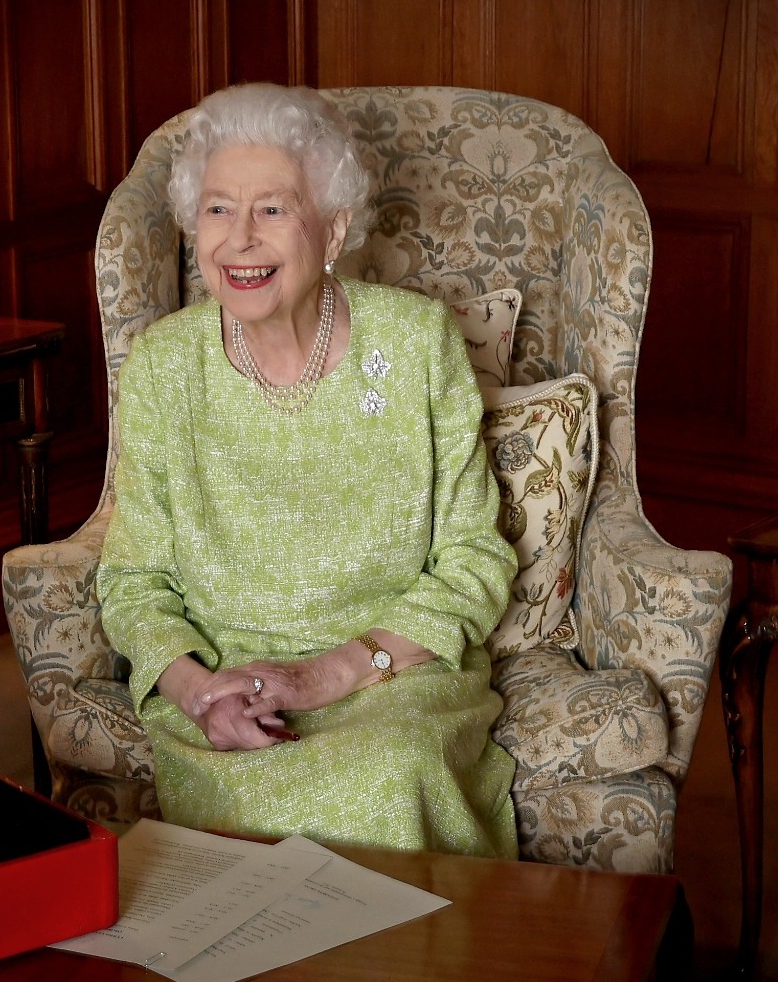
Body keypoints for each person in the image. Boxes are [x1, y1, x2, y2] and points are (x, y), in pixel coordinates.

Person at [96, 83, 519, 859]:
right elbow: (133, 581)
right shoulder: (163, 365)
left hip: (392, 677)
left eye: (272, 208)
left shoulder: (416, 343)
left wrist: (326, 676)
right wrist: (199, 694)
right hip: (227, 690)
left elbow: (473, 559)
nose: (240, 239)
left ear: (334, 229)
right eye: (218, 209)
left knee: (391, 776)